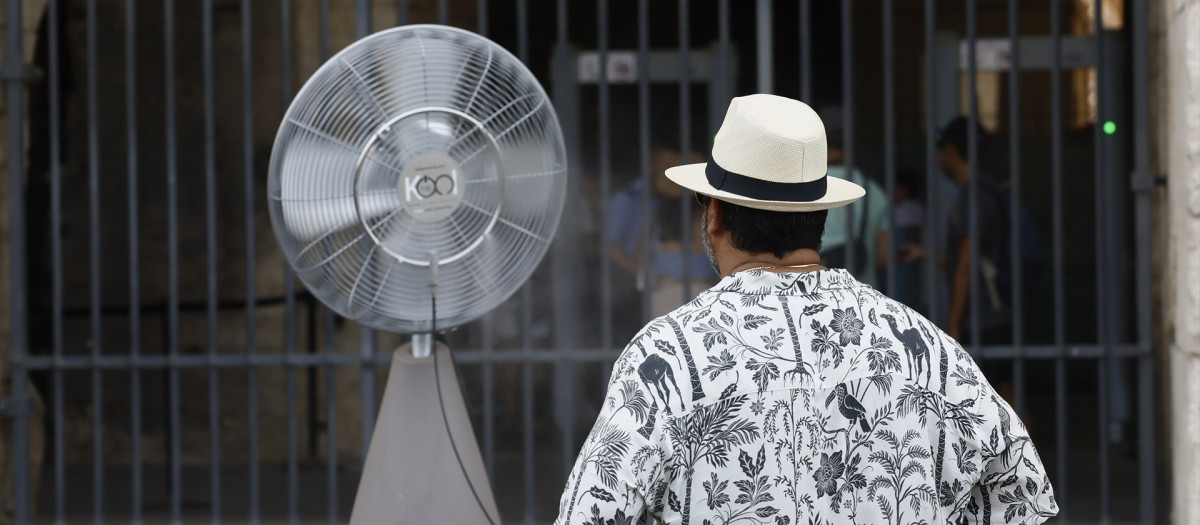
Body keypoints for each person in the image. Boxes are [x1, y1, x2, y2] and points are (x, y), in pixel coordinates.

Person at [554, 95, 1057, 525]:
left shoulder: (668, 354)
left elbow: (593, 511)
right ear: (819, 218)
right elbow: (1022, 497)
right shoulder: (921, 347)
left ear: (716, 216)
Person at [816, 106, 890, 288]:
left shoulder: (805, 188)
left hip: (815, 297)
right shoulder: (874, 191)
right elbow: (883, 257)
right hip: (862, 300)